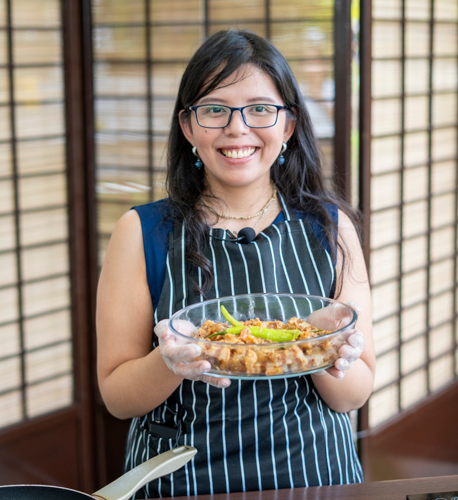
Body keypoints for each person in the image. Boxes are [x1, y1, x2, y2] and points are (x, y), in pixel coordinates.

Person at [96, 29, 375, 498]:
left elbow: (357, 390)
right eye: (215, 109)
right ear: (188, 126)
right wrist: (170, 363)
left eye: (260, 109)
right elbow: (117, 396)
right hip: (181, 477)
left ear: (287, 125)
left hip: (313, 472)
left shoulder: (331, 226)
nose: (237, 128)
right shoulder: (141, 231)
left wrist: (325, 350)